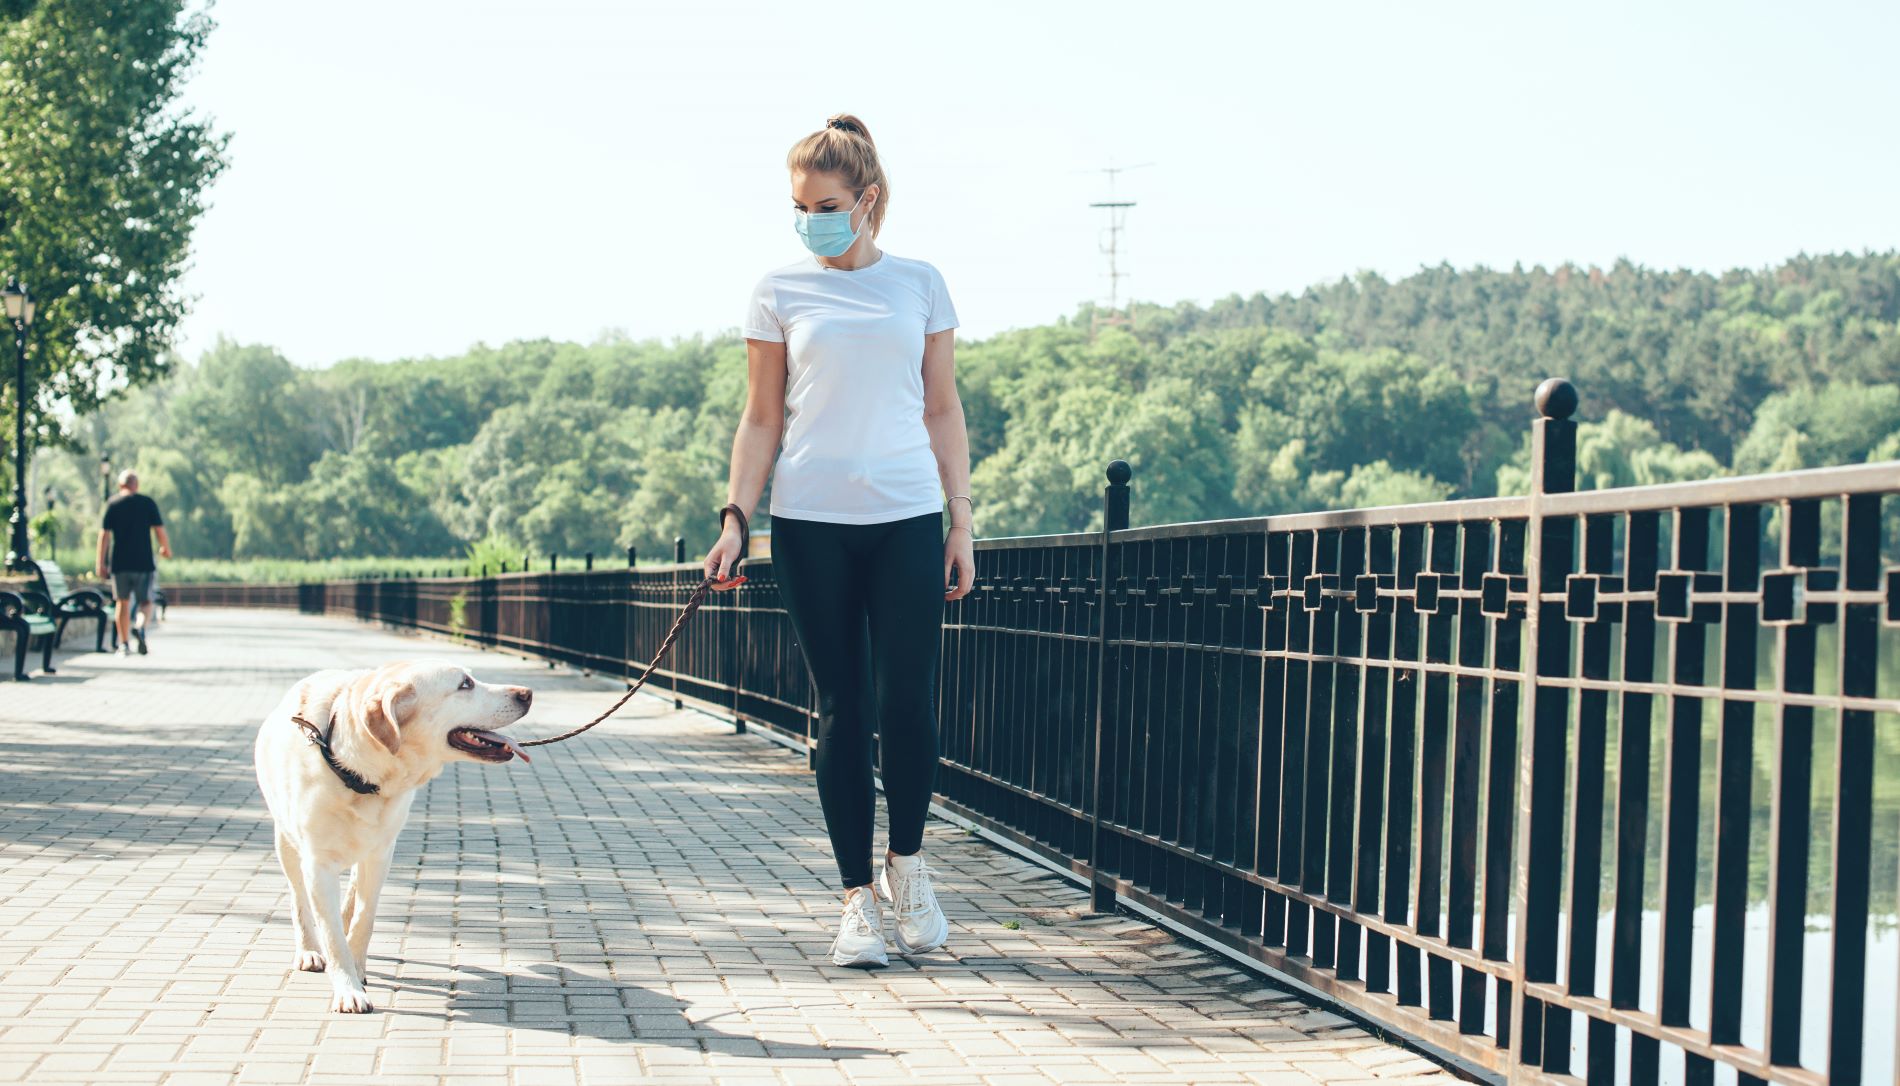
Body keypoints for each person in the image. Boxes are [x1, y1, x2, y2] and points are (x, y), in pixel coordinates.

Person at [704, 114, 977, 968]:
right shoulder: (778, 292)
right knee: (842, 710)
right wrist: (735, 519)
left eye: (825, 206)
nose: (809, 221)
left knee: (908, 704)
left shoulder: (921, 284)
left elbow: (942, 407)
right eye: (799, 207)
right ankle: (857, 899)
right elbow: (760, 419)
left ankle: (909, 866)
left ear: (868, 200)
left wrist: (962, 520)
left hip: (906, 518)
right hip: (810, 524)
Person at [96, 470, 170, 656]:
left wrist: (100, 563)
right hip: (143, 561)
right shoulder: (147, 503)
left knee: (122, 602)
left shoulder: (113, 503)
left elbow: (104, 535)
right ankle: (140, 626)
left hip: (120, 562)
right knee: (146, 601)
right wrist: (165, 548)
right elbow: (159, 530)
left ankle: (123, 644)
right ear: (136, 485)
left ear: (120, 485)